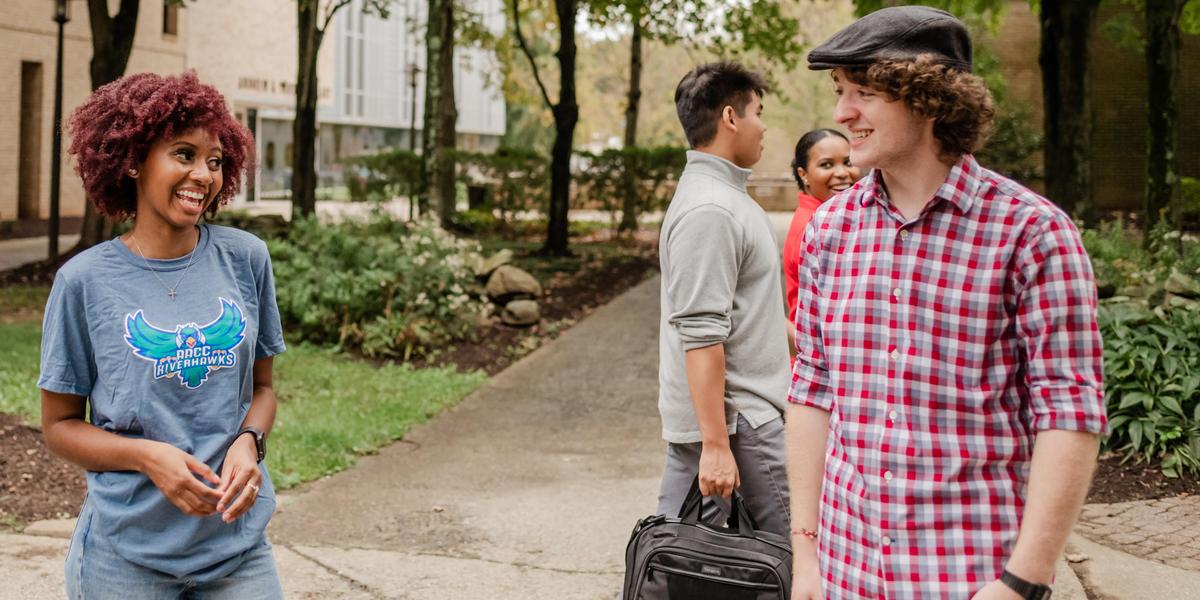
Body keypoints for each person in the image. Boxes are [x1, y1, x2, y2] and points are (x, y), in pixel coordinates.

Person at [786, 6, 1106, 599]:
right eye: (839, 91)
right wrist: (805, 555)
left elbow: (1069, 413)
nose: (841, 112)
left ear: (930, 99)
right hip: (844, 570)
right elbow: (812, 390)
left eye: (864, 92)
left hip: (970, 578)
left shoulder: (1032, 234)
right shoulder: (829, 231)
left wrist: (1023, 581)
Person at [39, 71, 286, 599]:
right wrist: (148, 457)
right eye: (184, 154)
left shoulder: (246, 258)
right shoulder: (83, 282)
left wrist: (251, 441)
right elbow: (59, 425)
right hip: (125, 557)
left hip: (236, 550)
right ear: (131, 161)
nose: (204, 174)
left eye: (215, 160)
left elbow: (262, 389)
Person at [656, 61, 791, 535]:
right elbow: (701, 336)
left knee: (681, 565)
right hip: (741, 424)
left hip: (739, 423)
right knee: (788, 562)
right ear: (731, 117)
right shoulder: (711, 209)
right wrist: (715, 444)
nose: (764, 125)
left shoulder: (726, 198)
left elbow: (746, 312)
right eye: (758, 111)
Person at [782, 129, 861, 326]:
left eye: (848, 162)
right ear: (804, 174)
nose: (842, 173)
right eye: (827, 165)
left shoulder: (836, 216)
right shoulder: (812, 227)